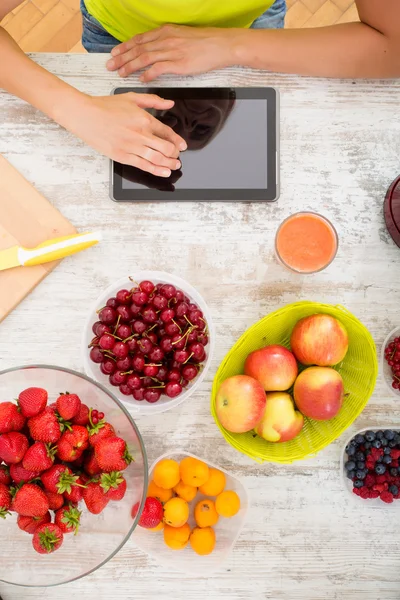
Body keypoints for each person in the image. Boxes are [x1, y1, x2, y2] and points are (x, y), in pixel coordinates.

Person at [1, 0, 399, 177]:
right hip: (118, 37)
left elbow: (392, 44)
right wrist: (78, 111)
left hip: (251, 26)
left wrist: (231, 44)